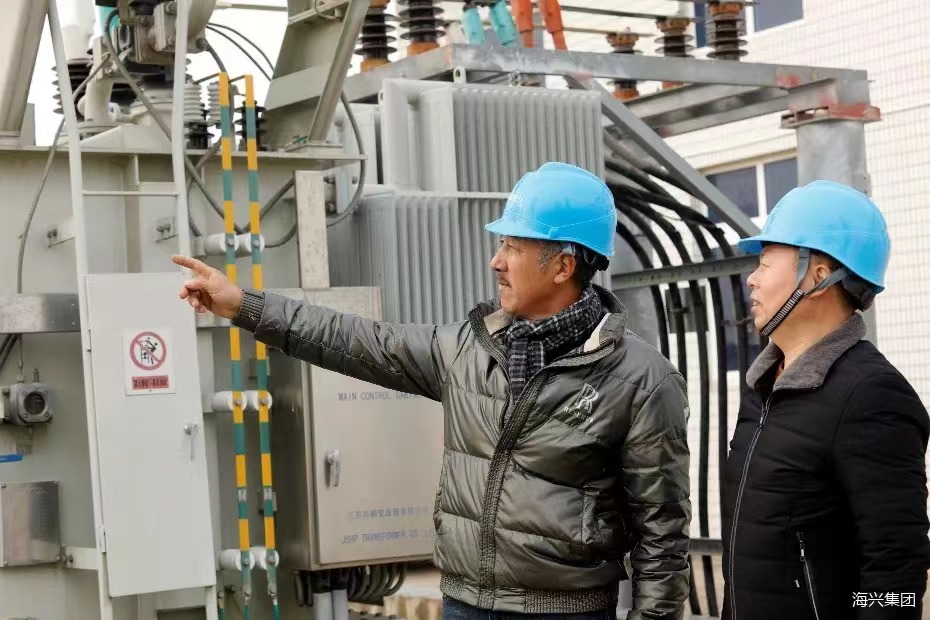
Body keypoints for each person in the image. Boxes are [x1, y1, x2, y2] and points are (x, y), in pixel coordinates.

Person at [173, 162, 691, 619]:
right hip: (464, 605)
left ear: (563, 266)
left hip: (565, 614)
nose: (496, 261)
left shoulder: (642, 382)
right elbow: (354, 340)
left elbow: (662, 536)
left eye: (513, 247)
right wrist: (244, 306)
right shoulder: (468, 349)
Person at [722, 179, 930, 620]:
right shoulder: (763, 387)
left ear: (817, 276)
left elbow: (896, 572)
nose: (752, 279)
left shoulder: (871, 395)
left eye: (765, 263)